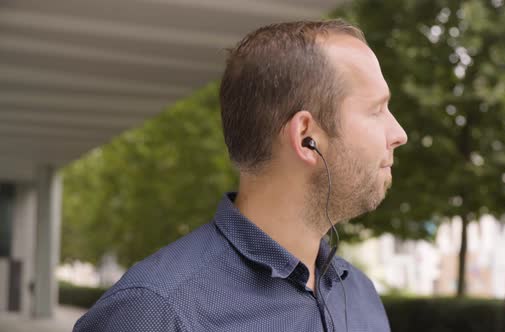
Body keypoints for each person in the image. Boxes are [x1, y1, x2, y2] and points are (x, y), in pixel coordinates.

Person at [73, 19, 407, 332]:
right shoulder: (153, 312)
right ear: (307, 137)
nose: (399, 133)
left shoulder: (359, 294)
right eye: (377, 109)